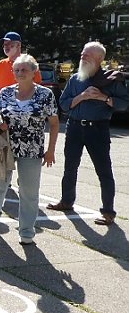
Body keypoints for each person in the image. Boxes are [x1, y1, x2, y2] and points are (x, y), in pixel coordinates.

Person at [0, 55, 59, 244]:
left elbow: (54, 123)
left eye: (24, 70)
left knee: (29, 191)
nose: (19, 73)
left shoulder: (45, 94)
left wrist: (51, 150)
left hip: (32, 149)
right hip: (5, 147)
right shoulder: (6, 92)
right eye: (16, 70)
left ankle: (26, 231)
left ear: (34, 72)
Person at [48, 42, 129, 226]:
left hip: (97, 129)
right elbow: (63, 104)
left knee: (104, 171)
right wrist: (82, 96)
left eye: (88, 56)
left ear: (99, 60)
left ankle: (108, 212)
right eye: (83, 54)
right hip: (75, 127)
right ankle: (67, 201)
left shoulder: (111, 79)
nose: (83, 57)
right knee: (70, 168)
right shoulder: (76, 79)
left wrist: (104, 97)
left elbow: (124, 104)